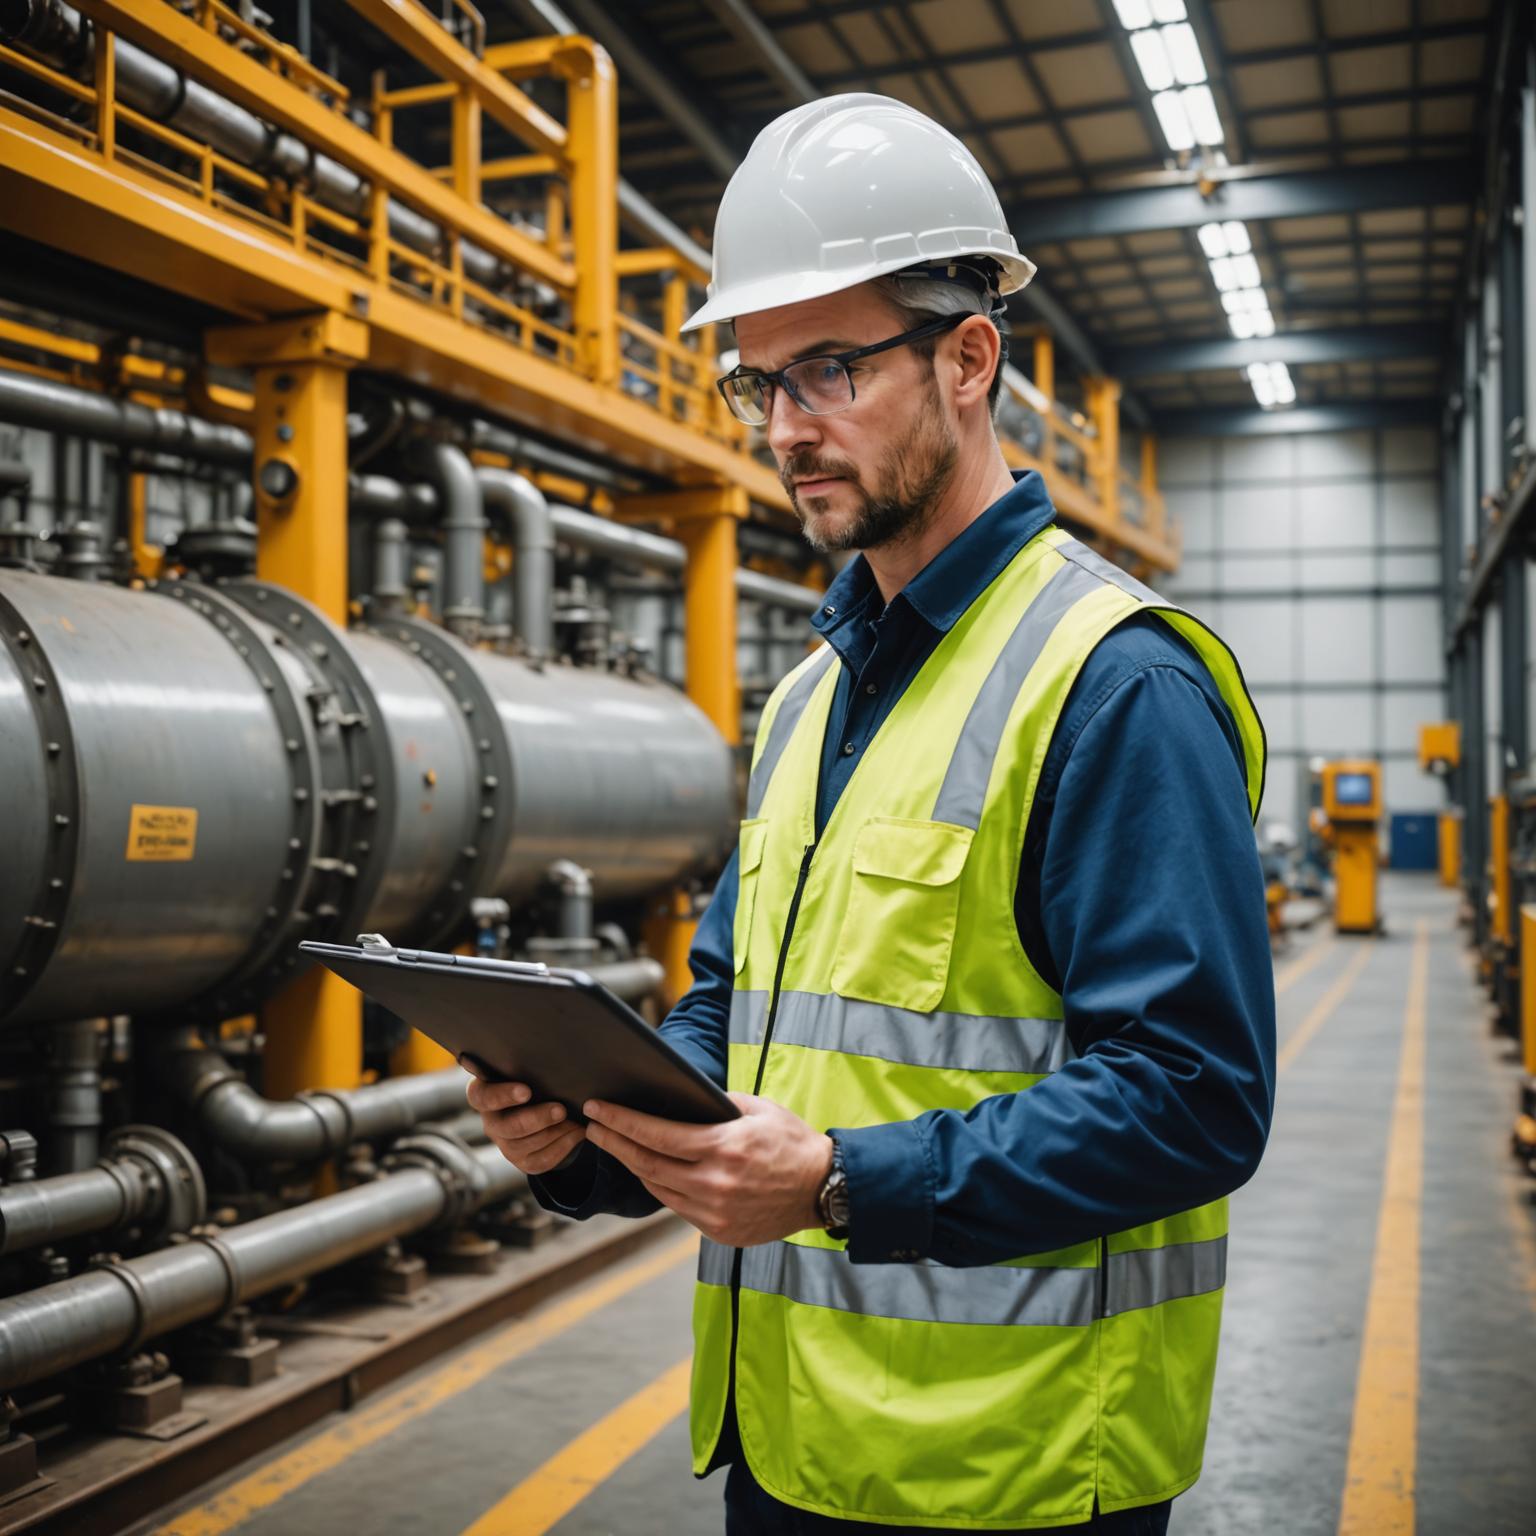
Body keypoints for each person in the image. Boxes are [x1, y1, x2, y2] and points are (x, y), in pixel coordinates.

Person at [468, 93, 1275, 1534]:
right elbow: (736, 1012)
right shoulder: (808, 700)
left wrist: (842, 1182)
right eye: (758, 383)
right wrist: (592, 1136)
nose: (786, 428)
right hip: (787, 1443)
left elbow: (1194, 1098)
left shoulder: (1112, 684)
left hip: (1009, 1468)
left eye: (830, 369)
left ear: (971, 359)